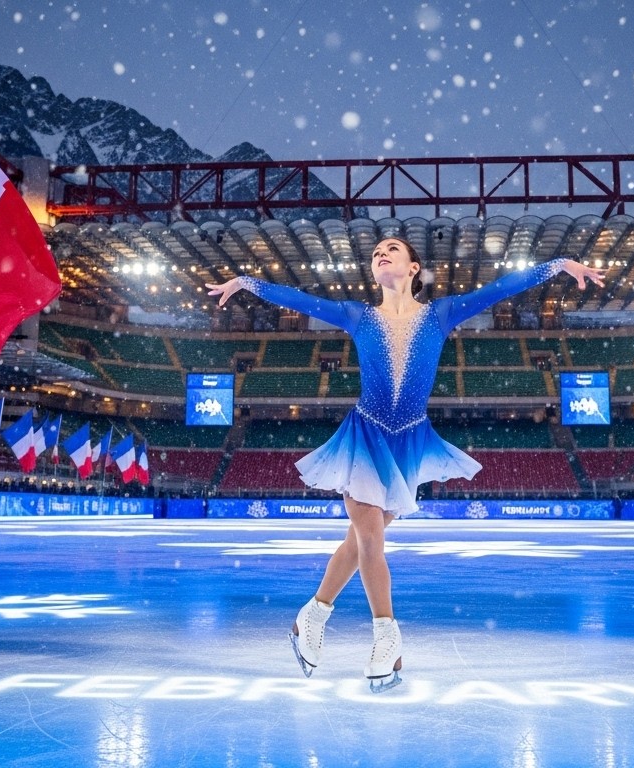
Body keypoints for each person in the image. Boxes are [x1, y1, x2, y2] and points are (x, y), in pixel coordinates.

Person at [207, 236, 604, 692]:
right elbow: (299, 299)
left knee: (358, 544)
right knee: (370, 535)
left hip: (409, 442)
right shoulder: (358, 316)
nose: (381, 253)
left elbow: (500, 288)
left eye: (392, 248)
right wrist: (245, 282)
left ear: (414, 268)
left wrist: (556, 265)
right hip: (366, 435)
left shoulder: (440, 313)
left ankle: (311, 617)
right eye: (376, 252)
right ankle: (386, 638)